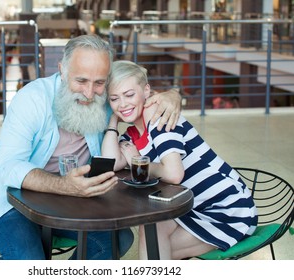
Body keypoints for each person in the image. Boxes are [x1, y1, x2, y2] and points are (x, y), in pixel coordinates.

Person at [0, 35, 182, 260]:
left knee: (118, 239)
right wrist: (64, 185)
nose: (89, 94)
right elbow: (9, 167)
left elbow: (136, 97)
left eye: (99, 82)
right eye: (81, 80)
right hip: (9, 201)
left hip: (67, 201)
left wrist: (170, 96)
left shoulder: (106, 98)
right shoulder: (31, 99)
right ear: (62, 70)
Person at [101, 60, 258, 260]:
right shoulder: (132, 134)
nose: (122, 104)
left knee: (154, 251)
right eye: (114, 99)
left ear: (146, 90)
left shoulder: (160, 117)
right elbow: (112, 163)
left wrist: (138, 162)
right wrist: (113, 120)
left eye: (129, 95)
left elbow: (174, 174)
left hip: (229, 209)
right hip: (194, 207)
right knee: (151, 233)